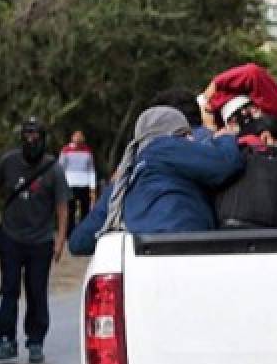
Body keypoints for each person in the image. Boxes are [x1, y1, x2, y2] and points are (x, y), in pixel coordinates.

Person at [70, 106, 244, 255]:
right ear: (175, 135)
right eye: (186, 135)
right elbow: (225, 164)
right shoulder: (164, 147)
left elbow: (79, 243)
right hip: (187, 250)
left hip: (143, 264)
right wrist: (226, 138)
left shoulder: (122, 182)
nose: (191, 141)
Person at [0, 118, 69, 363]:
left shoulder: (53, 168)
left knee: (36, 291)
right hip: (11, 237)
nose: (31, 140)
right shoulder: (9, 162)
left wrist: (60, 239)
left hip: (40, 240)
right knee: (9, 288)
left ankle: (35, 340)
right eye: (27, 135)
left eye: (36, 135)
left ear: (43, 139)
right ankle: (5, 339)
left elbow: (62, 206)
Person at [58, 130, 97, 234]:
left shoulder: (87, 151)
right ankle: (69, 233)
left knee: (85, 210)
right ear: (72, 138)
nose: (78, 141)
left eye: (80, 139)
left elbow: (91, 170)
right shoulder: (66, 150)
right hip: (70, 184)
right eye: (76, 138)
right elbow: (60, 169)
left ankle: (83, 232)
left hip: (84, 184)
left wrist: (92, 187)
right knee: (70, 210)